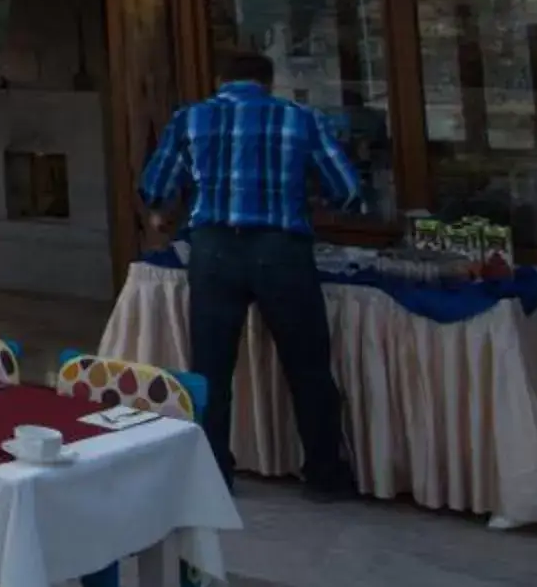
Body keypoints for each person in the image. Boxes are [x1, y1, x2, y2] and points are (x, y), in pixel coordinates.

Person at [136, 51, 366, 498]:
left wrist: (170, 210)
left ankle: (214, 472)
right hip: (281, 251)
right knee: (308, 366)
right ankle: (324, 474)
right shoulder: (301, 118)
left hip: (213, 250)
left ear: (221, 79)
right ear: (268, 81)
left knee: (212, 368)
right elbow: (348, 190)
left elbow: (155, 186)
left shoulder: (191, 119)